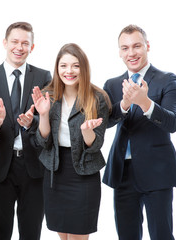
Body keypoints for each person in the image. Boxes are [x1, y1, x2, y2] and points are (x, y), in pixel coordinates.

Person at [102, 24, 176, 240]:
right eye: (125, 48)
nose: (131, 53)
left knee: (161, 235)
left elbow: (173, 123)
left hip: (157, 171)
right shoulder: (111, 85)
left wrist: (145, 103)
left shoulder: (168, 80)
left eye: (137, 46)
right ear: (119, 52)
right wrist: (125, 105)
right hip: (122, 172)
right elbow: (106, 122)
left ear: (147, 46)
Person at [0, 22, 51, 240]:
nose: (19, 47)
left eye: (25, 43)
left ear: (32, 47)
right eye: (15, 42)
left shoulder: (44, 77)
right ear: (5, 43)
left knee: (31, 232)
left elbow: (48, 119)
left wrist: (31, 122)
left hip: (33, 167)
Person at [32, 43, 111, 240]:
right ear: (57, 68)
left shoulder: (97, 98)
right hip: (55, 173)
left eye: (75, 66)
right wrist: (42, 115)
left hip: (84, 173)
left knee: (77, 236)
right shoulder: (48, 95)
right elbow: (44, 142)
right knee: (63, 235)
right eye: (64, 66)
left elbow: (96, 145)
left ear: (83, 68)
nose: (69, 71)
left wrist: (87, 131)